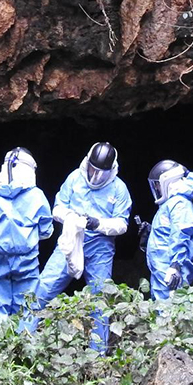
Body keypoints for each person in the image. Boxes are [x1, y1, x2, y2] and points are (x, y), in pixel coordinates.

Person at [33, 142, 132, 350]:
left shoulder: (119, 189)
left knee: (100, 299)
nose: (95, 175)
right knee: (44, 286)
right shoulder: (74, 178)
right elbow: (57, 207)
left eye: (100, 172)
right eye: (92, 170)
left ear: (110, 171)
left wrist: (98, 223)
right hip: (71, 241)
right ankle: (24, 337)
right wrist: (71, 217)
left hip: (100, 247)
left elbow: (122, 224)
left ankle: (97, 354)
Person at [0, 147, 53, 328]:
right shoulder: (36, 196)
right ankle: (23, 350)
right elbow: (46, 232)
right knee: (27, 306)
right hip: (27, 259)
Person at [140, 160, 193, 301]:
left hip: (170, 271)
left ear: (167, 182)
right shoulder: (170, 204)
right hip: (162, 271)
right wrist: (150, 234)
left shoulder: (179, 203)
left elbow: (181, 233)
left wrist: (175, 265)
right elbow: (167, 235)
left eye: (158, 184)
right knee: (160, 311)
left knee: (170, 311)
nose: (157, 189)